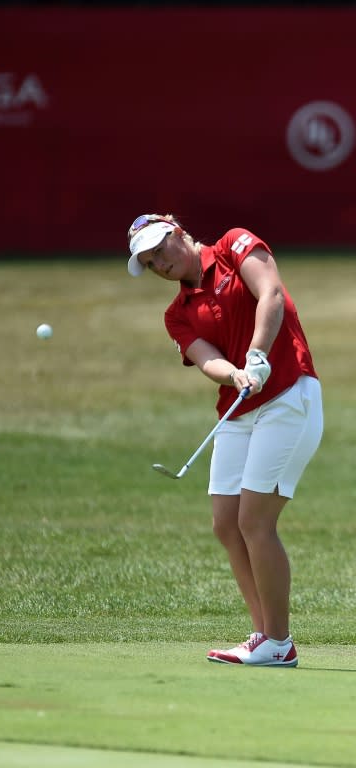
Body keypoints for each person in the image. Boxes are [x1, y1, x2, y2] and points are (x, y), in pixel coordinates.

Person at [126, 213, 323, 667]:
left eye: (160, 249)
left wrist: (256, 353)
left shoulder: (235, 245)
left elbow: (271, 293)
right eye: (150, 262)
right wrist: (235, 373)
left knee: (255, 520)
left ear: (178, 231)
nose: (160, 264)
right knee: (226, 522)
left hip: (288, 395)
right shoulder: (177, 314)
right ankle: (266, 637)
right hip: (240, 407)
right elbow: (206, 358)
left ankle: (278, 640)